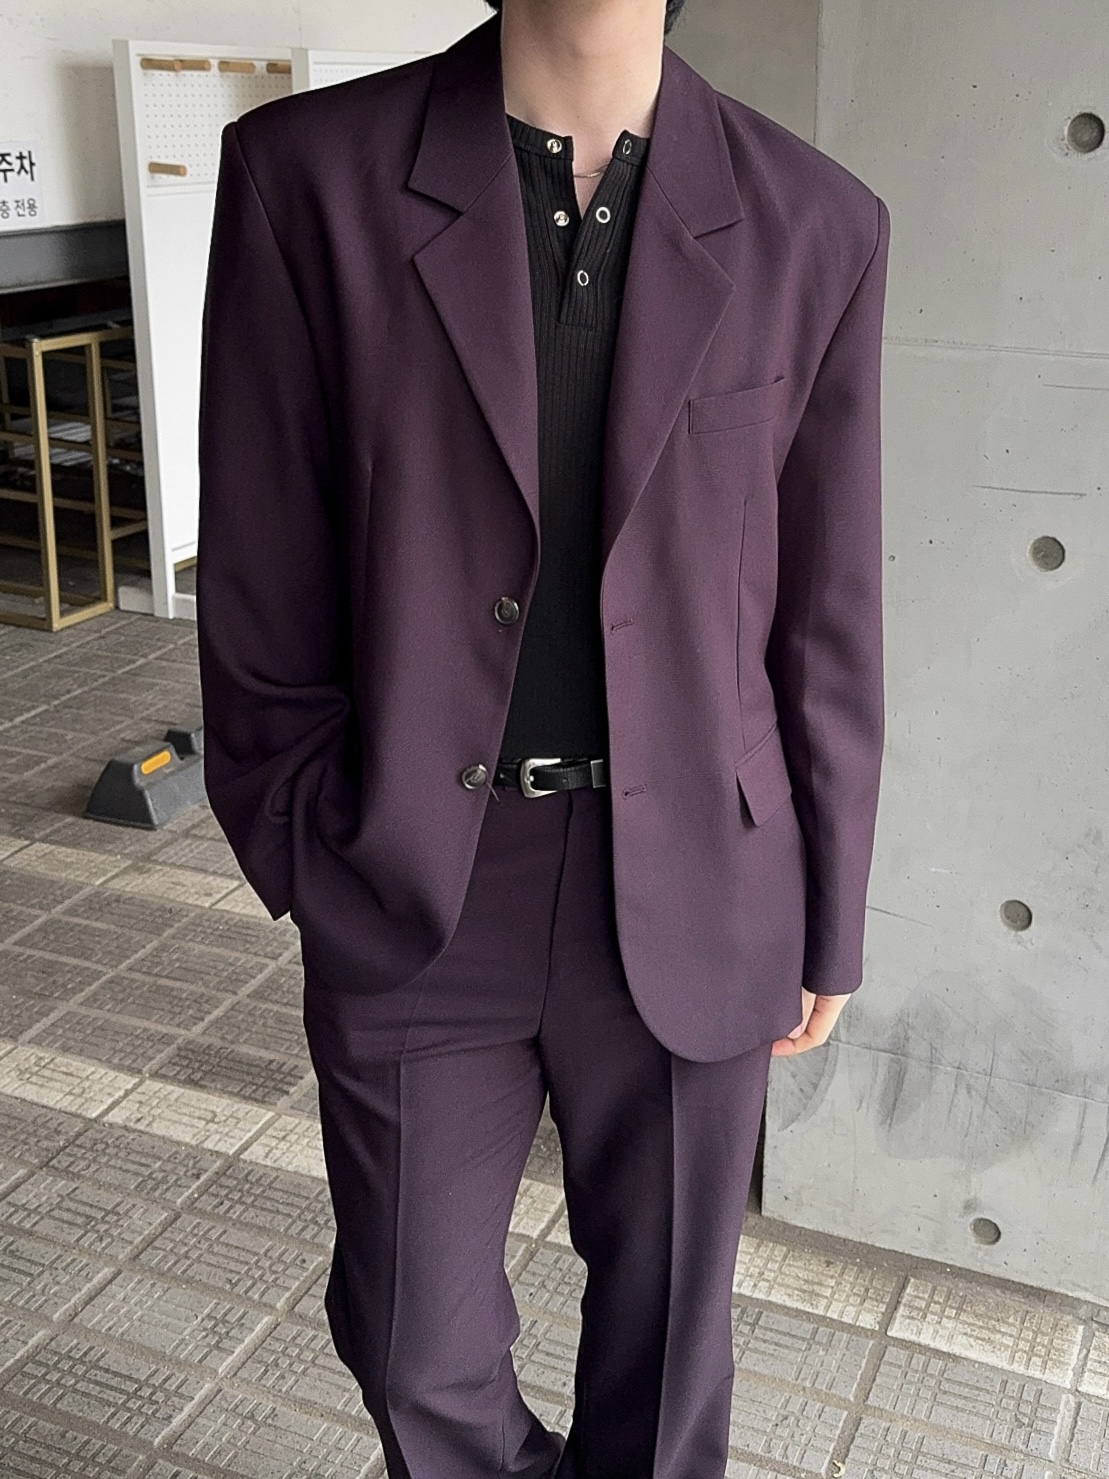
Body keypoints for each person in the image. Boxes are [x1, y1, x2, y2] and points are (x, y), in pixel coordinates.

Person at [197, 0, 891, 1473]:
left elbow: (825, 613)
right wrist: (304, 835)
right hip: (419, 874)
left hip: (700, 874)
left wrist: (831, 912)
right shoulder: (305, 176)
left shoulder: (814, 221)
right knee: (414, 1346)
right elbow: (261, 558)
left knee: (666, 1351)